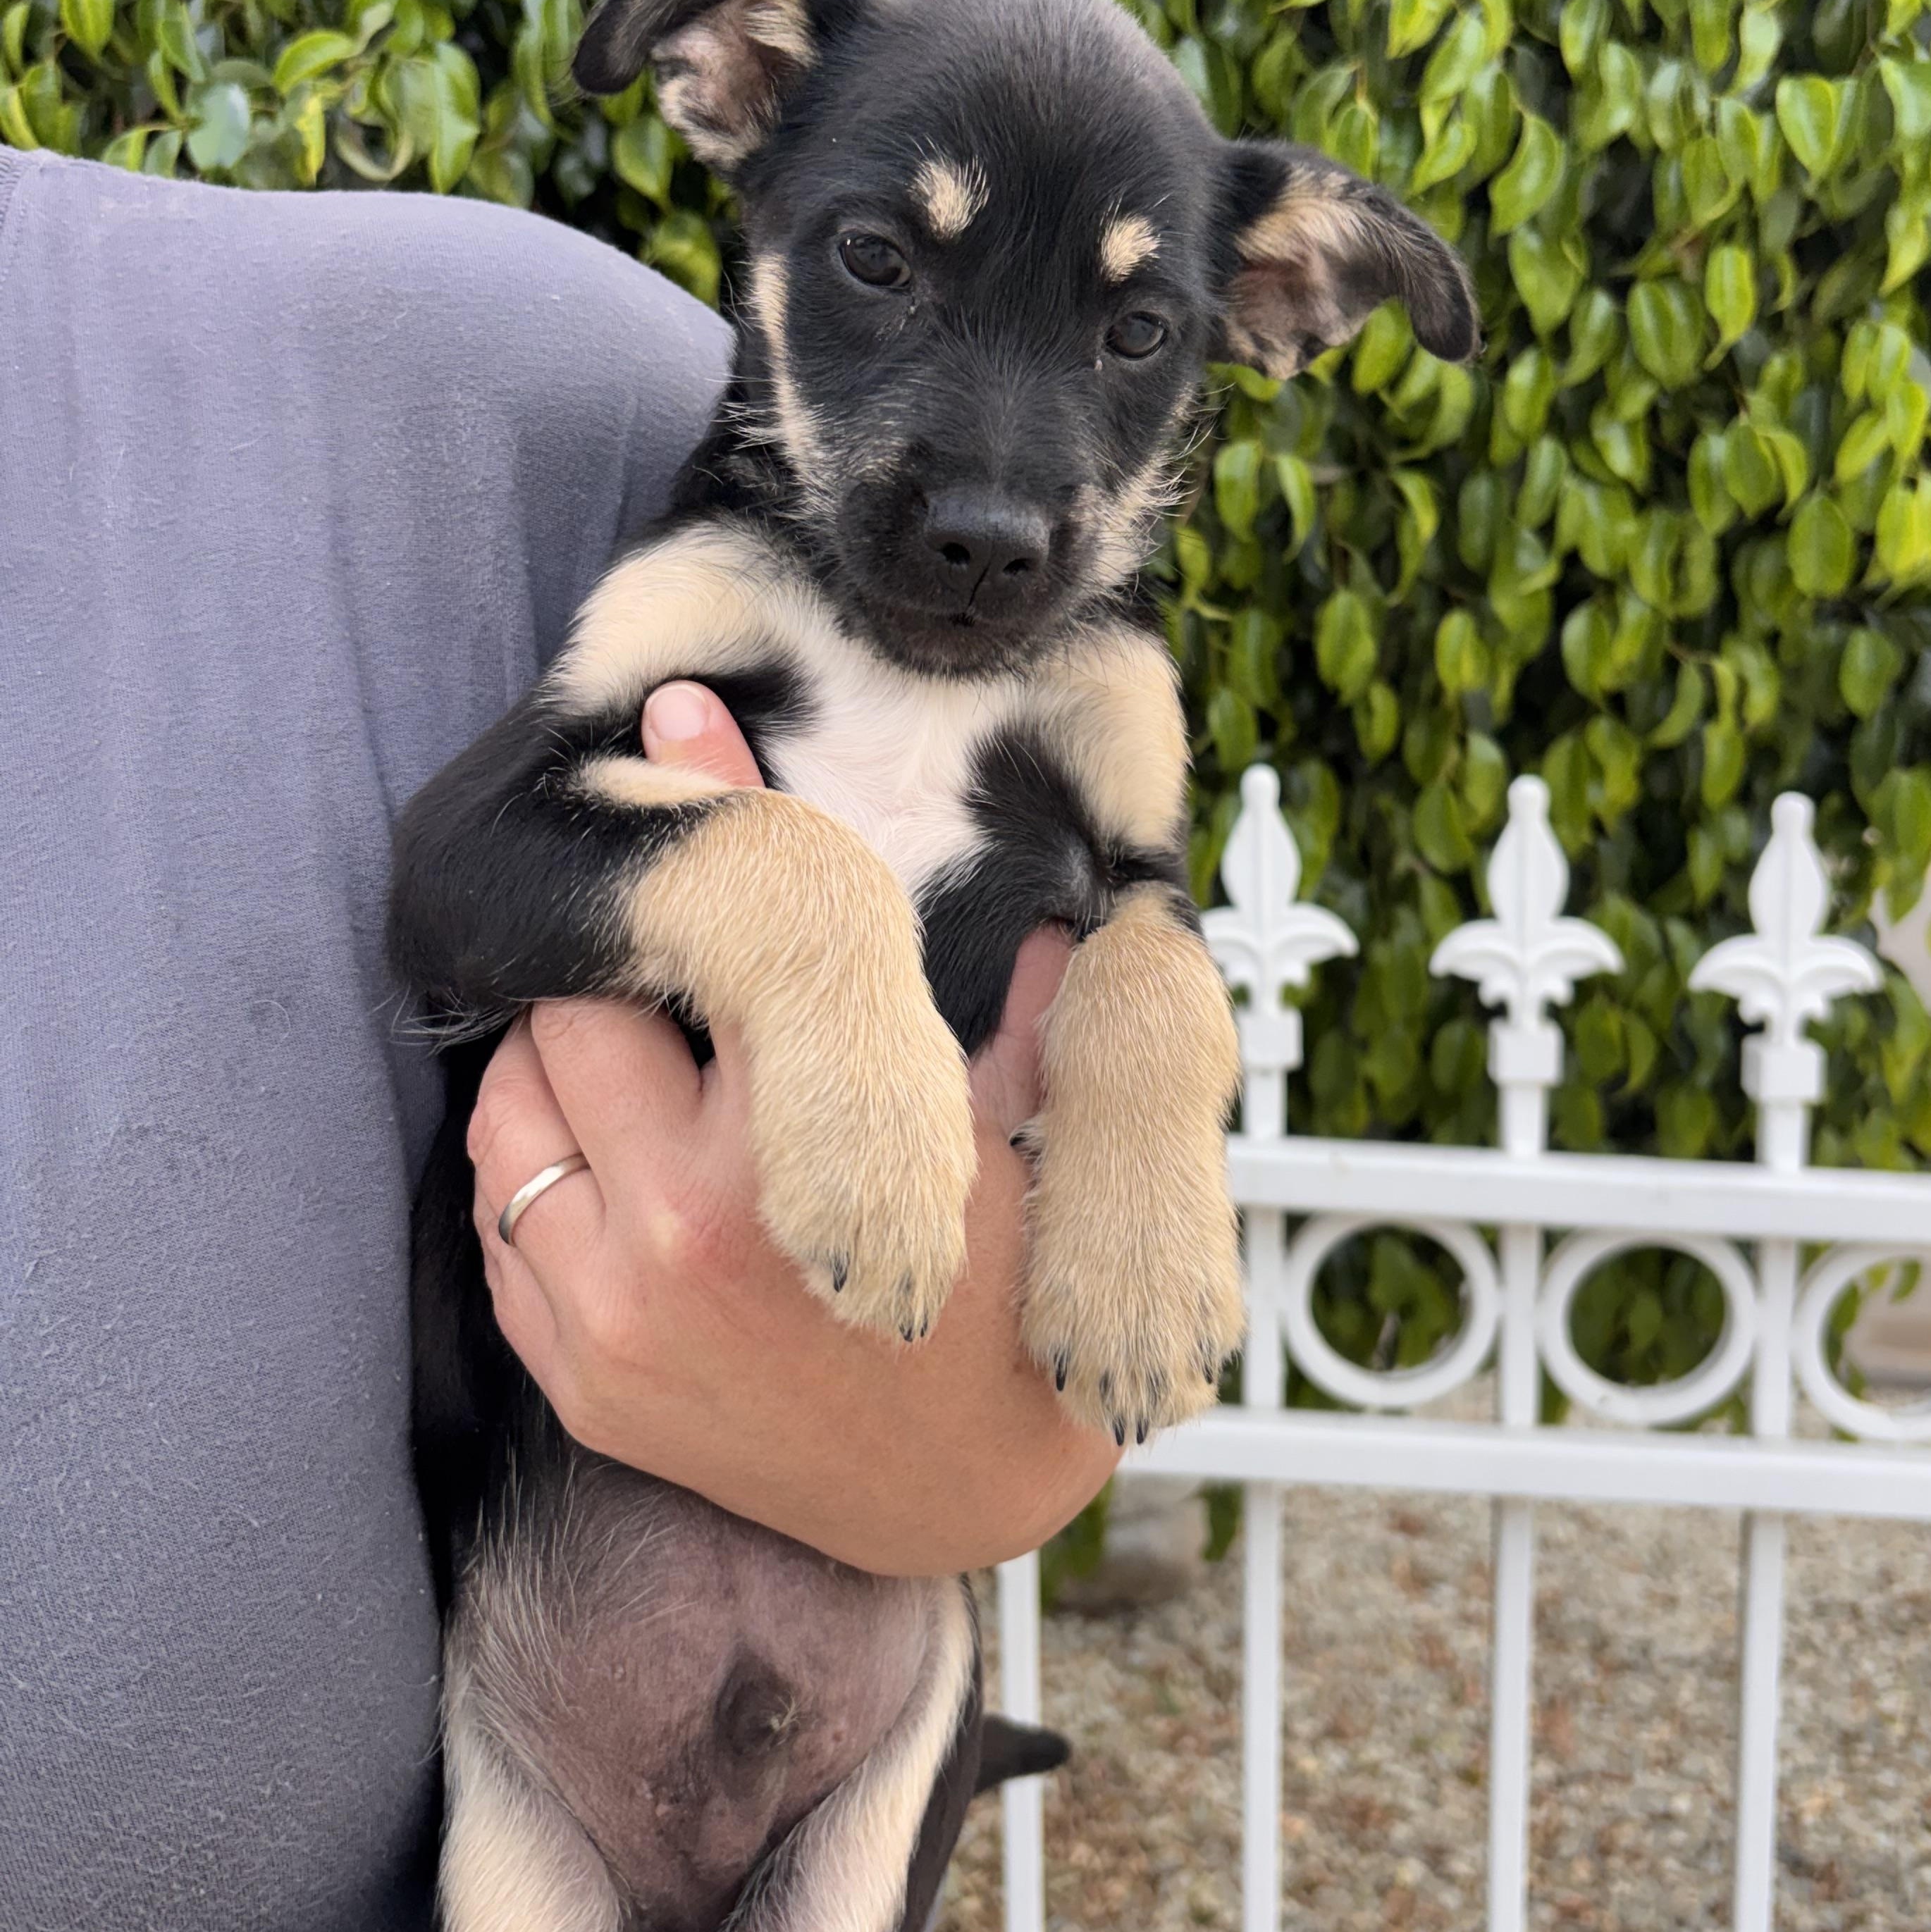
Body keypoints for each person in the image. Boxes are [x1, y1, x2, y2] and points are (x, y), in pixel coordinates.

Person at [0, 142, 1116, 1928]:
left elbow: (1040, 1383)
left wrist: (986, 1432)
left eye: (1133, 338)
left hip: (788, 1710)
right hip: (530, 1764)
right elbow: (480, 875)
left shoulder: (546, 385)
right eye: (889, 273)